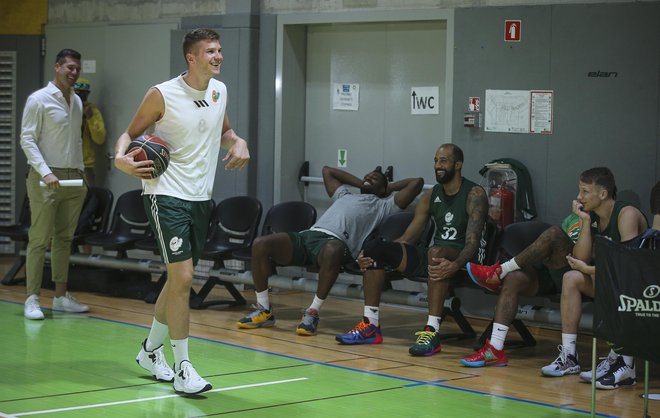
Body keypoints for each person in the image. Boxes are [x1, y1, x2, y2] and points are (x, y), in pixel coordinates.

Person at [114, 28, 249, 395]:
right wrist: (120, 160)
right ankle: (183, 367)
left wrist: (238, 141)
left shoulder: (220, 91)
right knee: (186, 276)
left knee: (177, 281)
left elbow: (225, 131)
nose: (218, 56)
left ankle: (149, 351)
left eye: (219, 50)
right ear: (191, 57)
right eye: (210, 51)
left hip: (200, 198)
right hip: (164, 193)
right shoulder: (162, 94)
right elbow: (129, 135)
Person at [464, 168, 647, 383]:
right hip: (599, 277)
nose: (579, 197)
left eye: (585, 191)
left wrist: (587, 270)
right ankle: (566, 356)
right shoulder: (591, 217)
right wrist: (585, 222)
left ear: (603, 194)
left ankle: (499, 271)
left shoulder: (627, 214)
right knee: (563, 278)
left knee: (555, 242)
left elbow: (628, 268)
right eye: (580, 190)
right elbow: (581, 258)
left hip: (635, 286)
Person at [335, 144, 489, 357]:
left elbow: (473, 243)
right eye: (436, 160)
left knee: (437, 254)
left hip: (465, 260)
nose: (438, 166)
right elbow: (408, 238)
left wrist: (455, 265)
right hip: (435, 254)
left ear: (458, 164)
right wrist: (373, 253)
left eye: (443, 161)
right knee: (375, 249)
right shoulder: (430, 195)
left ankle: (432, 332)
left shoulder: (474, 193)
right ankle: (370, 325)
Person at [236, 166, 423, 336]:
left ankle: (312, 312)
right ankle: (264, 310)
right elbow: (327, 171)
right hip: (309, 236)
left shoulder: (384, 206)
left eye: (374, 178)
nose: (368, 178)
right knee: (261, 243)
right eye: (367, 175)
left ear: (383, 189)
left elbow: (416, 183)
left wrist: (387, 188)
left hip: (336, 244)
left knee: (333, 249)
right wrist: (364, 183)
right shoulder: (345, 195)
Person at [20, 48, 90, 321]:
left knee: (64, 239)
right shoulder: (38, 100)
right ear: (57, 67)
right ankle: (32, 298)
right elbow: (27, 140)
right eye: (69, 68)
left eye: (77, 69)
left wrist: (82, 174)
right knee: (39, 239)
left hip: (75, 177)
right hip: (45, 178)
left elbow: (75, 141)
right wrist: (46, 172)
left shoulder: (77, 101)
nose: (73, 73)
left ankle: (60, 297)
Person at [73, 78, 106, 186]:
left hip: (85, 165)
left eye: (83, 94)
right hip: (65, 164)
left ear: (88, 94)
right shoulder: (64, 109)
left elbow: (100, 139)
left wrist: (90, 118)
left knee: (88, 199)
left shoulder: (93, 111)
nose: (80, 97)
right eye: (77, 93)